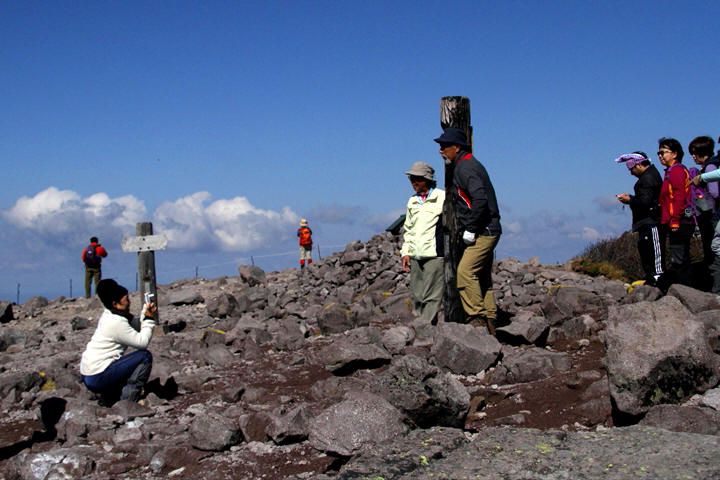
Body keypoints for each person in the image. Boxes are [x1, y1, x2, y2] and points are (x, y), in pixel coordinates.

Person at [434, 127, 502, 334]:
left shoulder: (465, 168)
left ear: (457, 147)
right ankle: (491, 324)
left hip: (484, 230)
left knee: (465, 273)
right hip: (489, 228)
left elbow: (480, 199)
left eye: (445, 146)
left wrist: (471, 228)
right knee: (482, 278)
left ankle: (477, 320)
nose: (441, 150)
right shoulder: (470, 164)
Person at [80, 279, 157, 405]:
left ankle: (111, 396)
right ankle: (129, 400)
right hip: (98, 375)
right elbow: (142, 342)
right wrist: (148, 318)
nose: (129, 302)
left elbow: (135, 326)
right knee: (144, 356)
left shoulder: (110, 314)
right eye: (126, 299)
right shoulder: (116, 322)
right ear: (115, 303)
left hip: (89, 372)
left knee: (122, 364)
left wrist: (146, 312)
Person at [400, 161, 445, 323]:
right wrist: (406, 252)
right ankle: (420, 323)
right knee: (417, 294)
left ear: (427, 179)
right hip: (416, 254)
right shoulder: (412, 201)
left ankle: (426, 328)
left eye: (417, 179)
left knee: (432, 294)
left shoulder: (442, 197)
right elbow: (409, 229)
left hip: (435, 253)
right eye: (411, 179)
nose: (413, 183)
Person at [615, 152, 664, 285]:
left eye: (631, 169)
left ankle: (657, 282)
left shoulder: (647, 179)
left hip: (651, 223)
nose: (631, 173)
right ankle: (652, 280)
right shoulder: (651, 176)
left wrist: (630, 199)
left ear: (639, 165)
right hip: (647, 223)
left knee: (653, 256)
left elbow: (644, 202)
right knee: (647, 254)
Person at [657, 137, 694, 287]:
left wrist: (675, 220)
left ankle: (684, 289)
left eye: (663, 152)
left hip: (679, 221)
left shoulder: (677, 171)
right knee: (678, 256)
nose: (660, 155)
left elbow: (679, 197)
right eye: (658, 152)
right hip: (674, 220)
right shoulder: (670, 171)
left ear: (675, 154)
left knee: (679, 258)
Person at [687, 136, 720, 266]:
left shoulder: (710, 166)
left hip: (712, 214)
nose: (693, 156)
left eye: (695, 153)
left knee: (714, 247)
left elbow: (715, 192)